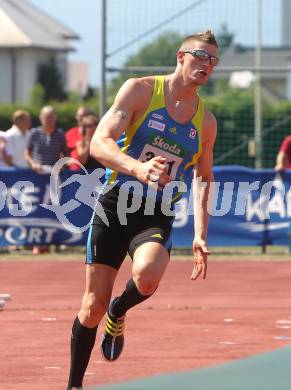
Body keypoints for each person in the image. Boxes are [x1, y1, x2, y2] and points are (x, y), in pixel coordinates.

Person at [67, 30, 218, 389]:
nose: (207, 65)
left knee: (148, 273)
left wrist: (200, 234)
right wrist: (136, 168)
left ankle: (119, 311)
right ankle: (74, 384)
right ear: (181, 57)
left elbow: (204, 178)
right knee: (91, 306)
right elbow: (98, 145)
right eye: (201, 55)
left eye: (213, 60)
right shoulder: (140, 90)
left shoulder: (205, 122)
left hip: (156, 211)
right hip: (115, 203)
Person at [24, 106, 68, 254]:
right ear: (42, 118)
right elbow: (27, 154)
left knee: (52, 209)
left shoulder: (60, 134)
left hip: (54, 178)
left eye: (52, 117)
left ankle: (49, 243)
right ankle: (37, 243)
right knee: (36, 209)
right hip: (36, 178)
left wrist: (60, 166)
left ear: (55, 118)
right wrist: (33, 164)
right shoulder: (34, 133)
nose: (49, 120)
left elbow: (65, 154)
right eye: (47, 117)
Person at [66, 106, 94, 170]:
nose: (81, 118)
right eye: (79, 115)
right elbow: (62, 153)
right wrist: (67, 162)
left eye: (85, 115)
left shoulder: (97, 135)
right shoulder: (70, 133)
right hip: (73, 173)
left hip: (94, 173)